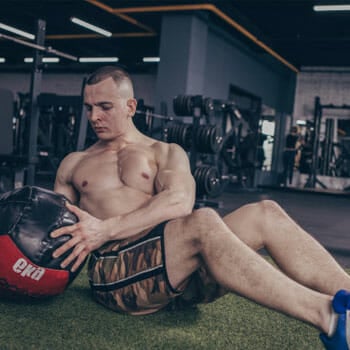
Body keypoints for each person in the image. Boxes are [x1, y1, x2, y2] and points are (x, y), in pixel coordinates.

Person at [51, 66, 350, 349]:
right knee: (204, 221)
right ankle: (329, 318)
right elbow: (52, 230)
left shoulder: (165, 152)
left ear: (130, 107)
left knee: (265, 212)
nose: (94, 116)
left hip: (178, 273)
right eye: (88, 107)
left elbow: (180, 201)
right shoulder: (74, 163)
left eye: (105, 107)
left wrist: (106, 228)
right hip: (117, 278)